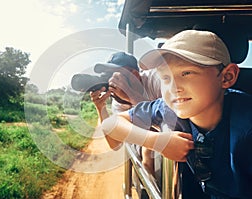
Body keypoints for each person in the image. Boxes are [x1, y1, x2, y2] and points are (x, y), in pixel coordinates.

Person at [101, 30, 252, 198]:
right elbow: (110, 125)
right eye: (165, 78)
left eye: (186, 73)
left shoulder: (246, 125)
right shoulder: (168, 109)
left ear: (227, 77)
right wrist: (156, 141)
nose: (173, 88)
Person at [90, 51, 162, 172]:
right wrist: (100, 107)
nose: (112, 81)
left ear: (135, 74)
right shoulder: (119, 101)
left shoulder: (156, 80)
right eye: (109, 76)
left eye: (117, 76)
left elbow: (173, 123)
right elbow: (115, 144)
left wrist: (131, 96)